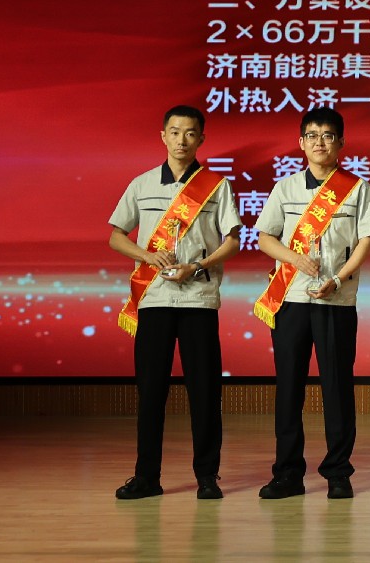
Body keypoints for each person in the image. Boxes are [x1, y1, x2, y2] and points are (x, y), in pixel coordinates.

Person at [107, 104, 242, 500]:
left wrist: (198, 265)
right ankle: (147, 477)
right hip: (154, 298)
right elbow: (116, 235)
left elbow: (233, 241)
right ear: (163, 136)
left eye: (190, 133)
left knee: (205, 391)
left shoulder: (216, 186)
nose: (182, 140)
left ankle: (207, 477)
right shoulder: (142, 184)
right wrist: (148, 256)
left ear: (202, 139)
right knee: (151, 392)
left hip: (198, 298)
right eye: (175, 132)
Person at [253, 105, 370, 500]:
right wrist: (295, 260)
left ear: (341, 142)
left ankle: (338, 473)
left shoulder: (357, 189)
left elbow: (366, 241)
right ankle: (288, 474)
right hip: (291, 299)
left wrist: (339, 277)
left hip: (337, 299)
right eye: (312, 135)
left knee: (337, 387)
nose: (320, 143)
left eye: (328, 136)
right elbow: (266, 238)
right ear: (301, 142)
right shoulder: (285, 188)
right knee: (289, 388)